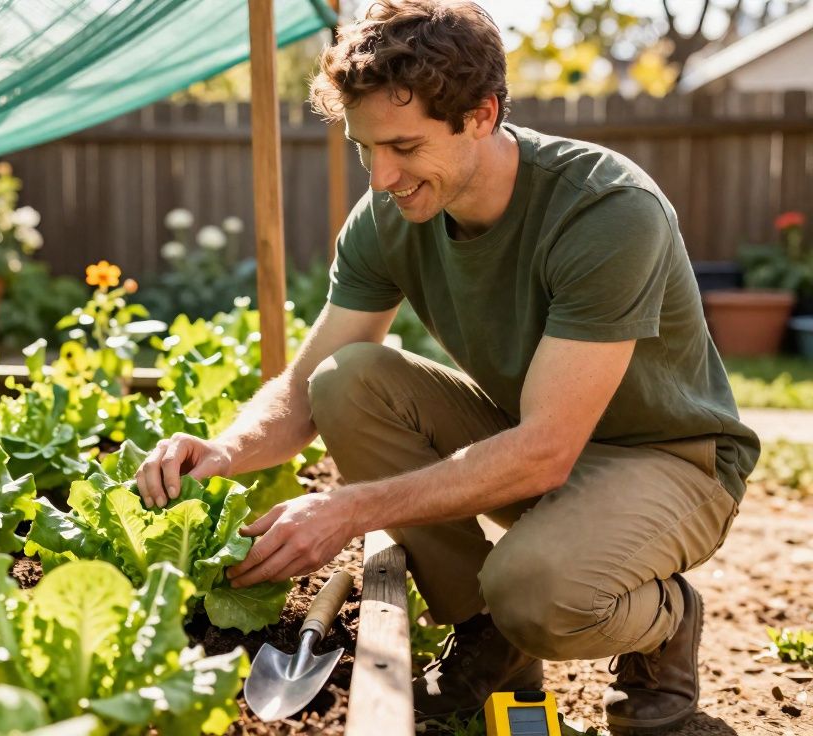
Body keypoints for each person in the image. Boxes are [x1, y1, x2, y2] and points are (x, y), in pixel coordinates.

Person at [132, 1, 760, 733]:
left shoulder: (605, 210)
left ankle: (665, 622)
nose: (385, 175)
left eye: (404, 145)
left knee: (537, 591)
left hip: (671, 460)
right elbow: (306, 384)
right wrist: (226, 450)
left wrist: (349, 510)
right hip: (539, 438)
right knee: (349, 378)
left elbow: (545, 453)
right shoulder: (389, 213)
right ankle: (489, 640)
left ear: (483, 115)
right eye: (366, 147)